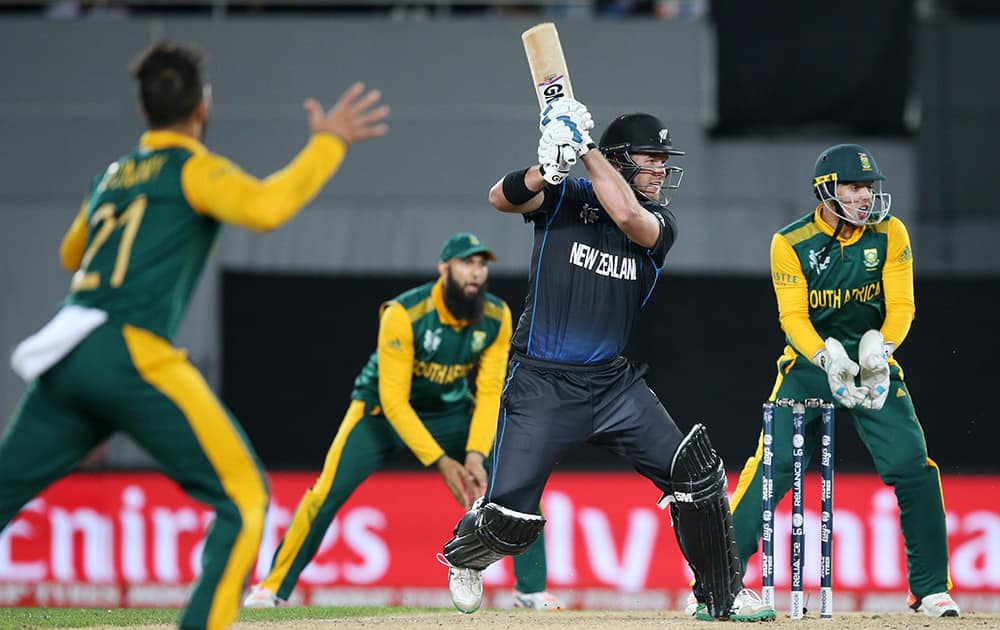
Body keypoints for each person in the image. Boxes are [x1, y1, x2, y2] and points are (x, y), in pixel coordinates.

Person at [0, 41, 388, 630]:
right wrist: (328, 142)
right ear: (202, 107)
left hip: (67, 350)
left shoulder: (112, 176)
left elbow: (71, 252)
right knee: (245, 501)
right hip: (129, 348)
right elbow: (265, 208)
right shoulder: (192, 168)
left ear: (142, 110)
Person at [436, 99, 774, 622]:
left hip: (614, 385)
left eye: (663, 159)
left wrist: (585, 148)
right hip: (542, 382)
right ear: (621, 161)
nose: (661, 168)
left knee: (696, 474)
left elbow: (627, 217)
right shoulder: (565, 195)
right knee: (510, 521)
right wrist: (546, 169)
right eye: (649, 158)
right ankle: (463, 557)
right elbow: (500, 198)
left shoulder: (660, 220)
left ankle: (721, 595)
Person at [243, 232, 562, 611]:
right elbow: (394, 400)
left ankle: (530, 591)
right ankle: (272, 588)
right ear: (444, 268)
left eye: (481, 264)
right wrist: (441, 462)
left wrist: (475, 454)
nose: (475, 272)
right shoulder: (404, 313)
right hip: (378, 416)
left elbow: (491, 389)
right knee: (324, 495)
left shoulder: (495, 315)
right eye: (466, 263)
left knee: (516, 481)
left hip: (449, 415)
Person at [727, 144, 960, 617]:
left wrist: (883, 348)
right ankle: (713, 580)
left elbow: (902, 307)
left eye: (869, 188)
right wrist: (822, 356)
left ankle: (931, 588)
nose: (864, 198)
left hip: (872, 366)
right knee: (769, 471)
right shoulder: (790, 243)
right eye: (853, 188)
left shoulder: (890, 233)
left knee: (913, 465)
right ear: (825, 190)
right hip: (810, 367)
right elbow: (792, 317)